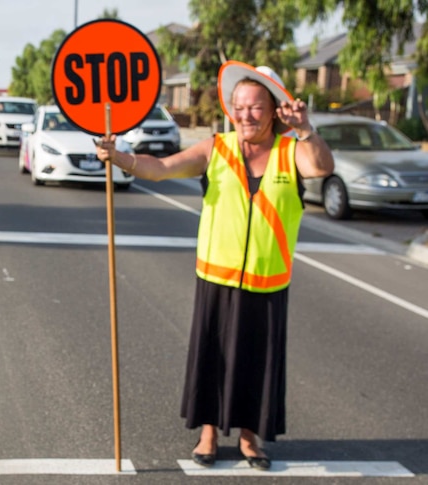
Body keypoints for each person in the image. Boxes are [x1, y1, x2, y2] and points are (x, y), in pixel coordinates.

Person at [95, 60, 334, 471]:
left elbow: (322, 167)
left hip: (268, 282)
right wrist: (119, 157)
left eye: (255, 107)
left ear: (274, 109)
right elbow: (163, 168)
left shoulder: (291, 151)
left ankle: (248, 437)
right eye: (238, 107)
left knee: (256, 362)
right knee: (213, 356)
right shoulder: (216, 149)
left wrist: (306, 128)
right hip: (217, 278)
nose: (244, 115)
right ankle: (207, 432)